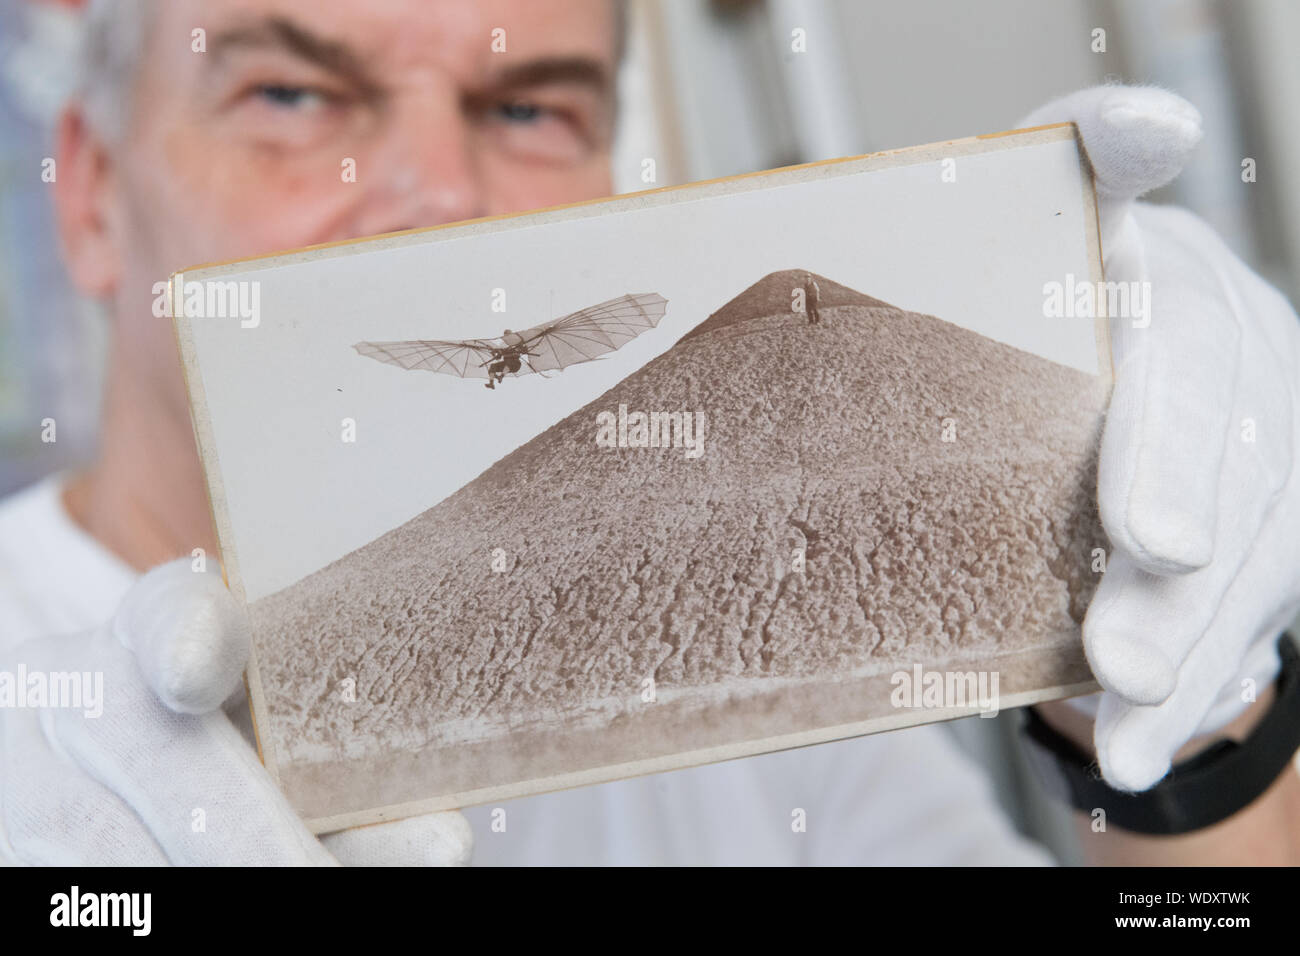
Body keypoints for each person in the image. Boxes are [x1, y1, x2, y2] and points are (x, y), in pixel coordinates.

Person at [1, 0, 1298, 866]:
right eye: (292, 96)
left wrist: (1193, 741)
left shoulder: (733, 673)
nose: (439, 194)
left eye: (528, 112)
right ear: (94, 198)